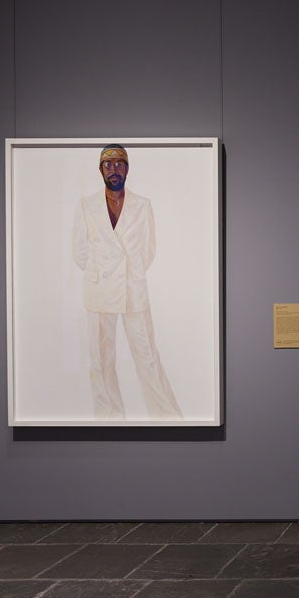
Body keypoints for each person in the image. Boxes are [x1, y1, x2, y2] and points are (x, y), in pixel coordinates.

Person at [72, 144, 182, 420]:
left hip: (132, 290)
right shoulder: (86, 205)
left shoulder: (142, 205)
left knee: (147, 357)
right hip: (98, 292)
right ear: (101, 170)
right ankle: (109, 419)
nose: (114, 170)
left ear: (127, 168)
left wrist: (130, 273)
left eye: (120, 164)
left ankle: (166, 417)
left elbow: (148, 250)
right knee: (101, 361)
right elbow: (79, 252)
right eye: (109, 165)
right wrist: (100, 272)